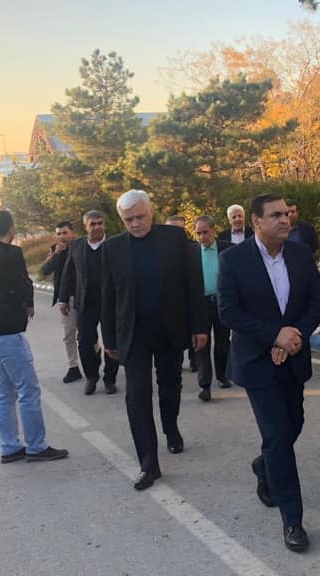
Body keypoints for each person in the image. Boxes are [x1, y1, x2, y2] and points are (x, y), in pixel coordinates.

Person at [218, 193, 320, 553]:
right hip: (256, 361)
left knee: (293, 425)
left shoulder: (299, 254)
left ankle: (264, 466)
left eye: (286, 214)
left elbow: (318, 301)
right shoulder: (233, 259)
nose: (285, 220)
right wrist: (273, 335)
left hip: (292, 358)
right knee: (279, 436)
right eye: (276, 215)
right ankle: (292, 519)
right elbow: (229, 311)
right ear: (256, 221)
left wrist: (293, 335)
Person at [100, 190, 209, 490]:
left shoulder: (174, 239)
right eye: (129, 220)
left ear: (151, 212)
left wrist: (200, 326)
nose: (135, 224)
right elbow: (108, 296)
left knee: (170, 386)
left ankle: (171, 428)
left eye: (140, 217)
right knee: (136, 395)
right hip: (133, 333)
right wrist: (109, 338)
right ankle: (148, 463)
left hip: (169, 328)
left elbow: (193, 283)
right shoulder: (113, 248)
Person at [0, 209, 68, 464]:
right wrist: (27, 302)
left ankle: (9, 446)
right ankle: (36, 446)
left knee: (5, 393)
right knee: (29, 390)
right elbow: (22, 283)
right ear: (11, 228)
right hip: (9, 332)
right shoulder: (11, 253)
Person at [58, 210, 119, 396]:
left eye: (100, 223)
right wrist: (63, 298)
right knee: (85, 342)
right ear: (85, 227)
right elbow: (68, 273)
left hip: (110, 304)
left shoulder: (114, 245)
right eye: (93, 224)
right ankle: (92, 377)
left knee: (112, 342)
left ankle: (110, 379)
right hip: (85, 304)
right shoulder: (77, 245)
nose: (97, 227)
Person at [192, 214, 233, 401]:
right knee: (201, 344)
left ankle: (222, 375)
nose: (202, 237)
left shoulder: (227, 249)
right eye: (198, 233)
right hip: (200, 304)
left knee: (223, 341)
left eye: (205, 232)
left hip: (222, 302)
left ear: (214, 231)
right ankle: (205, 385)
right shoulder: (191, 252)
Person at [41, 220, 81, 383]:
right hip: (66, 298)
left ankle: (94, 358)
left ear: (73, 233)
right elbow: (45, 270)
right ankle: (73, 366)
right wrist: (56, 254)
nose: (62, 236)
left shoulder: (81, 246)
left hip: (84, 297)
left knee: (87, 334)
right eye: (59, 234)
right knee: (69, 334)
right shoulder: (54, 250)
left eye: (65, 233)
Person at [165, 214, 199, 372]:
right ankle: (175, 361)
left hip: (188, 296)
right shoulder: (160, 249)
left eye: (178, 229)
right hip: (170, 299)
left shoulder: (193, 247)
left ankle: (194, 359)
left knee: (192, 327)